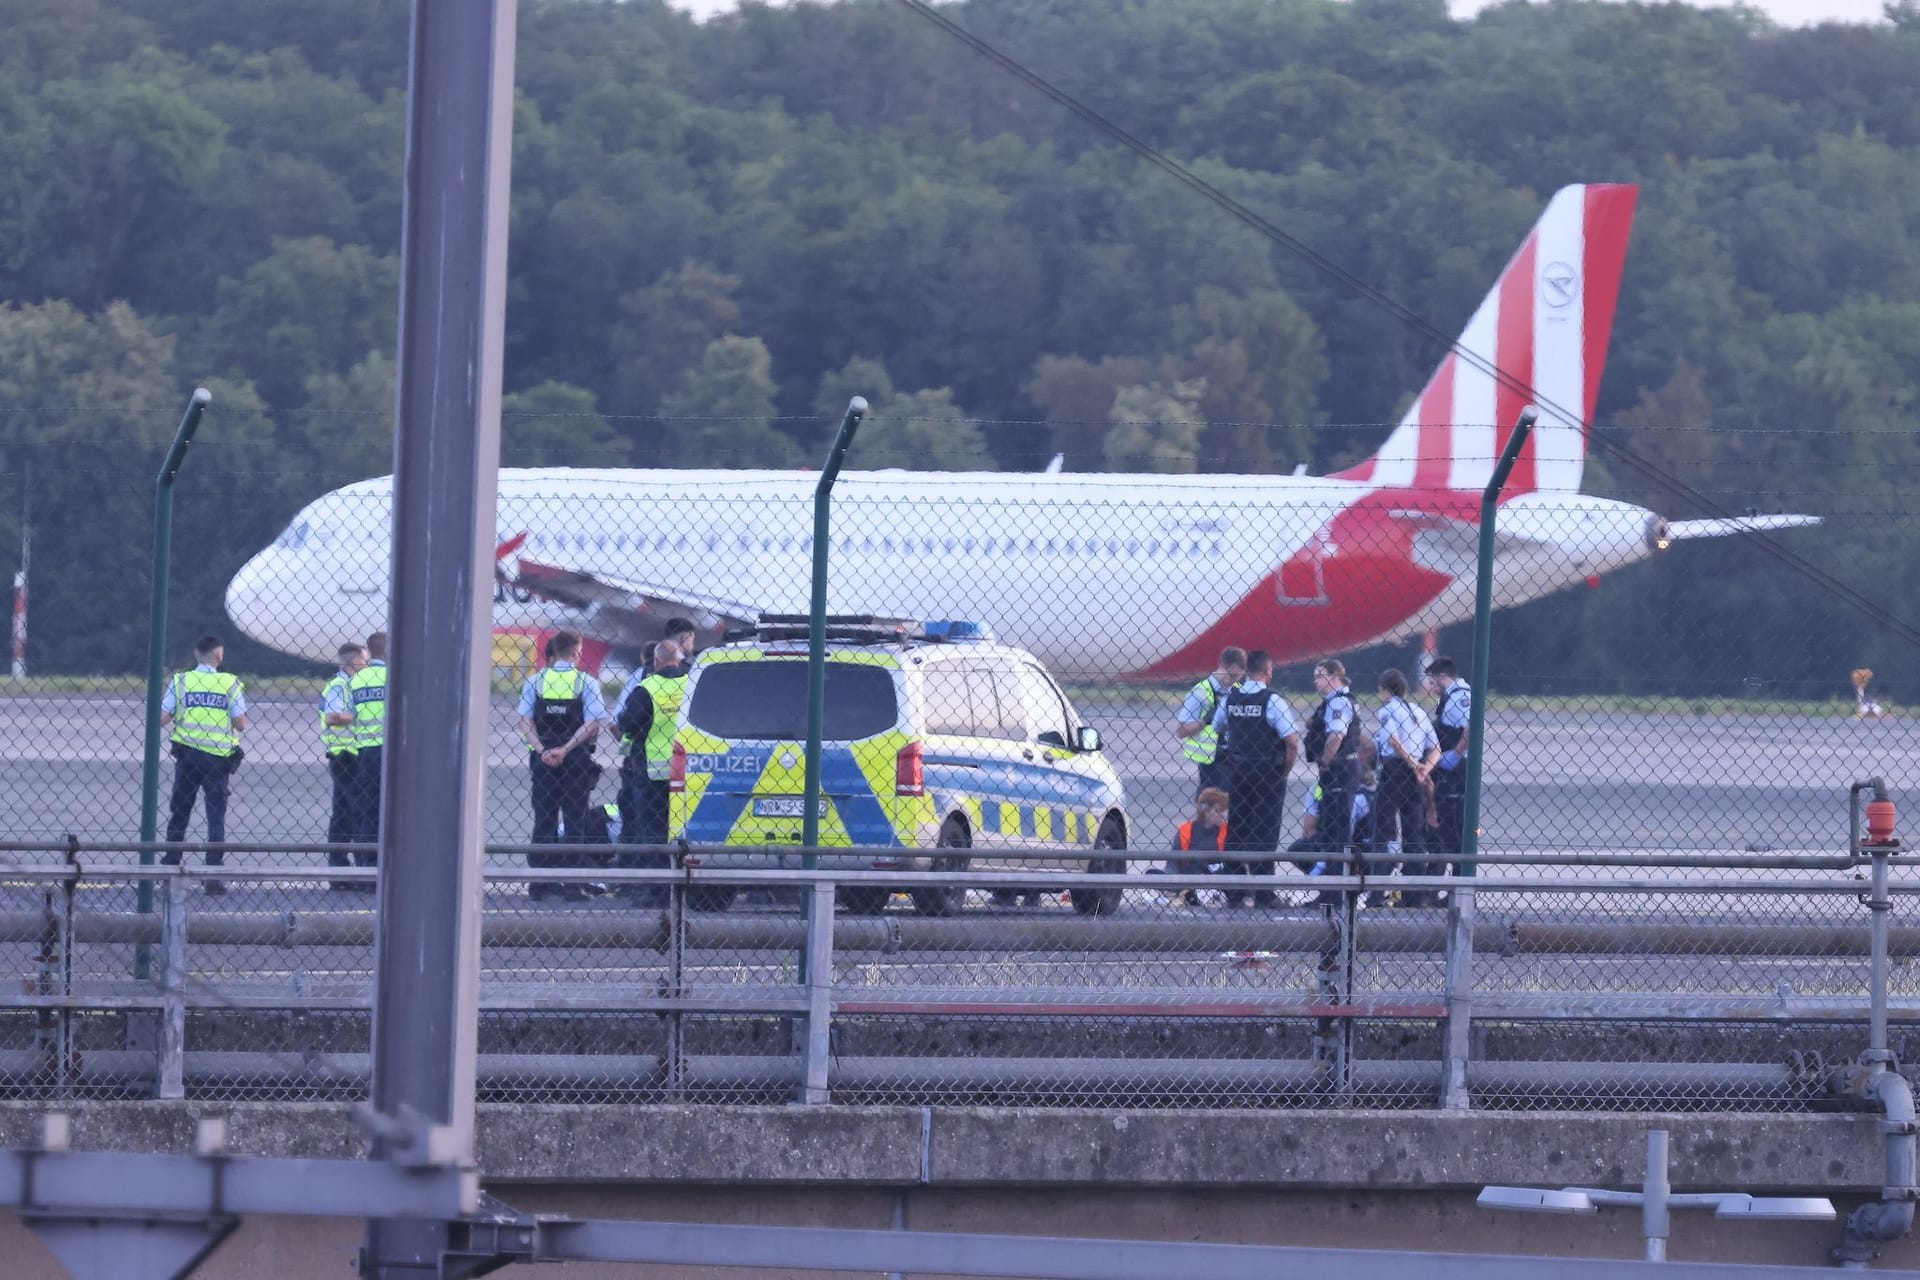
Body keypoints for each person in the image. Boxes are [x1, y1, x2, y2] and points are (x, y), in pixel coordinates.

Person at [1210, 649, 1300, 908]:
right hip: (1268, 773)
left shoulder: (1232, 698)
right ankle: (1263, 892)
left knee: (1237, 830)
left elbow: (1218, 726)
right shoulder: (1272, 700)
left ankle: (1235, 890)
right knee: (1266, 831)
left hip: (1239, 771)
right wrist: (1285, 769)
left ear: (1248, 670)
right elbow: (1291, 741)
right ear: (1268, 671)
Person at [519, 629, 605, 901]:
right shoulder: (586, 682)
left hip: (542, 761)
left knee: (543, 820)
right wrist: (566, 749)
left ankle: (540, 883)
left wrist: (543, 749)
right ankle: (571, 884)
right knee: (574, 821)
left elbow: (525, 721)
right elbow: (592, 724)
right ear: (577, 651)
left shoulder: (535, 681)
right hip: (575, 761)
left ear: (554, 650)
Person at [160, 634, 248, 893]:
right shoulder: (230, 683)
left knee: (180, 811)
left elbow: (162, 717)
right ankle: (213, 874)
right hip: (218, 759)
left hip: (187, 756)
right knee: (215, 817)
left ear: (197, 655)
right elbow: (240, 722)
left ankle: (171, 864)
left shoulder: (182, 681)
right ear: (219, 655)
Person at [614, 638, 689, 906]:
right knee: (685, 830)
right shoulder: (692, 685)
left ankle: (657, 890)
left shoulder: (646, 688)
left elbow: (627, 725)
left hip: (652, 773)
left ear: (656, 662)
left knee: (652, 830)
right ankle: (685, 887)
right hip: (690, 771)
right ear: (679, 659)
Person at [1372, 668, 1441, 907]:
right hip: (1416, 778)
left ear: (1384, 690)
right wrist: (1424, 768)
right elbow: (1436, 748)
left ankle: (1376, 892)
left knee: (1382, 830)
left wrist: (1413, 764)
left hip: (1394, 771)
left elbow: (1392, 739)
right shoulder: (1419, 712)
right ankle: (1415, 894)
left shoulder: (1388, 710)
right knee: (1414, 833)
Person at [1302, 658, 1362, 864]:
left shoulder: (1338, 702)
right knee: (1332, 825)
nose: (1315, 682)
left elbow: (1336, 736)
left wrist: (1326, 760)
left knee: (1337, 828)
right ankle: (1332, 887)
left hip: (1339, 768)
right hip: (1341, 768)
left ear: (1335, 677)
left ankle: (1337, 888)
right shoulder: (1333, 701)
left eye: (1320, 676)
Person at [320, 642, 367, 887]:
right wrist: (360, 713)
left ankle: (339, 868)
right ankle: (352, 867)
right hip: (345, 755)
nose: (367, 665)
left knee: (343, 812)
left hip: (345, 755)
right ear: (355, 662)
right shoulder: (341, 685)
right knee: (355, 811)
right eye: (365, 661)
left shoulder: (345, 684)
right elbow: (333, 717)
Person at [344, 630, 388, 890]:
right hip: (391, 750)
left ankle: (365, 869)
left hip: (364, 752)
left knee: (366, 811)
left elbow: (348, 716)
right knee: (394, 811)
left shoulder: (357, 680)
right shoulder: (394, 677)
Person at [1175, 647, 1246, 797]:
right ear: (1221, 664)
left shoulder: (1240, 691)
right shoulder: (1200, 692)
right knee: (1211, 805)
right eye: (1230, 675)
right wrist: (1205, 720)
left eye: (1237, 677)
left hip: (1235, 759)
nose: (1232, 681)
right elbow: (1181, 731)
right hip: (1211, 763)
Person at [1428, 656, 1472, 882]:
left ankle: (1458, 887)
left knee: (1453, 830)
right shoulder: (1451, 697)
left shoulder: (1458, 698)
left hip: (1455, 772)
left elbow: (1469, 728)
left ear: (1442, 677)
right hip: (1450, 768)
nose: (1430, 687)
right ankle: (1446, 886)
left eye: (1432, 681)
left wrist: (1455, 754)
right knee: (1448, 830)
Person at [1168, 787, 1229, 907]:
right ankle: (1188, 893)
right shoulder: (1185, 830)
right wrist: (1171, 884)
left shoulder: (1226, 831)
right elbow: (1173, 863)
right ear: (1208, 811)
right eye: (1218, 811)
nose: (1224, 816)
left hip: (1216, 879)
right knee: (1153, 874)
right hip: (1188, 879)